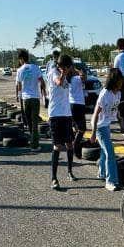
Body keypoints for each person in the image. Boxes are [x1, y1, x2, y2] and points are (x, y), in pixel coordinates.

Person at [89, 68, 123, 191]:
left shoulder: (118, 93)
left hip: (106, 124)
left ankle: (102, 173)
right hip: (99, 126)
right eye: (119, 81)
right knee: (110, 152)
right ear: (114, 81)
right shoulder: (105, 94)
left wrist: (121, 125)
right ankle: (111, 181)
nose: (121, 83)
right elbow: (96, 114)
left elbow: (116, 110)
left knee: (104, 151)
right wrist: (93, 133)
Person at [48, 54, 76, 189]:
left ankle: (70, 171)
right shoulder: (54, 72)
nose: (70, 70)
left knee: (70, 144)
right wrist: (64, 73)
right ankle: (54, 178)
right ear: (64, 67)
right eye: (69, 67)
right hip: (55, 115)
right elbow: (59, 82)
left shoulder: (65, 74)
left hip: (66, 114)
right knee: (58, 146)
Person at [16, 49, 46, 151]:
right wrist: (43, 93)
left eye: (19, 59)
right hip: (35, 98)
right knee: (34, 122)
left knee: (29, 122)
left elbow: (18, 85)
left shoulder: (20, 70)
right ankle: (35, 144)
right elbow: (42, 81)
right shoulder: (36, 67)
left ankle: (33, 141)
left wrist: (18, 96)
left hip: (25, 99)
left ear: (21, 59)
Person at [68, 65, 87, 159]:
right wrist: (77, 70)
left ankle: (75, 146)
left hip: (70, 104)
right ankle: (75, 147)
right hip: (79, 104)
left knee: (76, 127)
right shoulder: (76, 78)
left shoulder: (67, 79)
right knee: (82, 129)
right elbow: (84, 76)